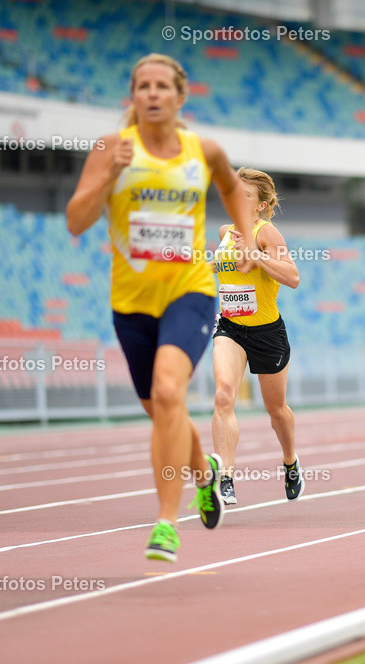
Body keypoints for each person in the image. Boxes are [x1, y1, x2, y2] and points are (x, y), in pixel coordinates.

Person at [66, 53, 262, 562]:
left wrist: (246, 238)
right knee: (162, 408)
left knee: (169, 391)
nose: (152, 93)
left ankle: (166, 523)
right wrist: (109, 174)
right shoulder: (110, 149)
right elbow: (76, 221)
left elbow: (232, 189)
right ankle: (205, 474)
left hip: (188, 291)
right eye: (143, 86)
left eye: (162, 86)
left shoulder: (204, 151)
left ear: (180, 96)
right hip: (131, 302)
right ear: (132, 96)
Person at [210, 168, 302, 506]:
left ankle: (290, 462)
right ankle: (225, 478)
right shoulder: (225, 232)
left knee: (276, 410)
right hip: (230, 328)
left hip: (266, 332)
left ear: (261, 205)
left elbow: (293, 277)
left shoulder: (267, 233)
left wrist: (257, 256)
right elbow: (221, 269)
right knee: (223, 396)